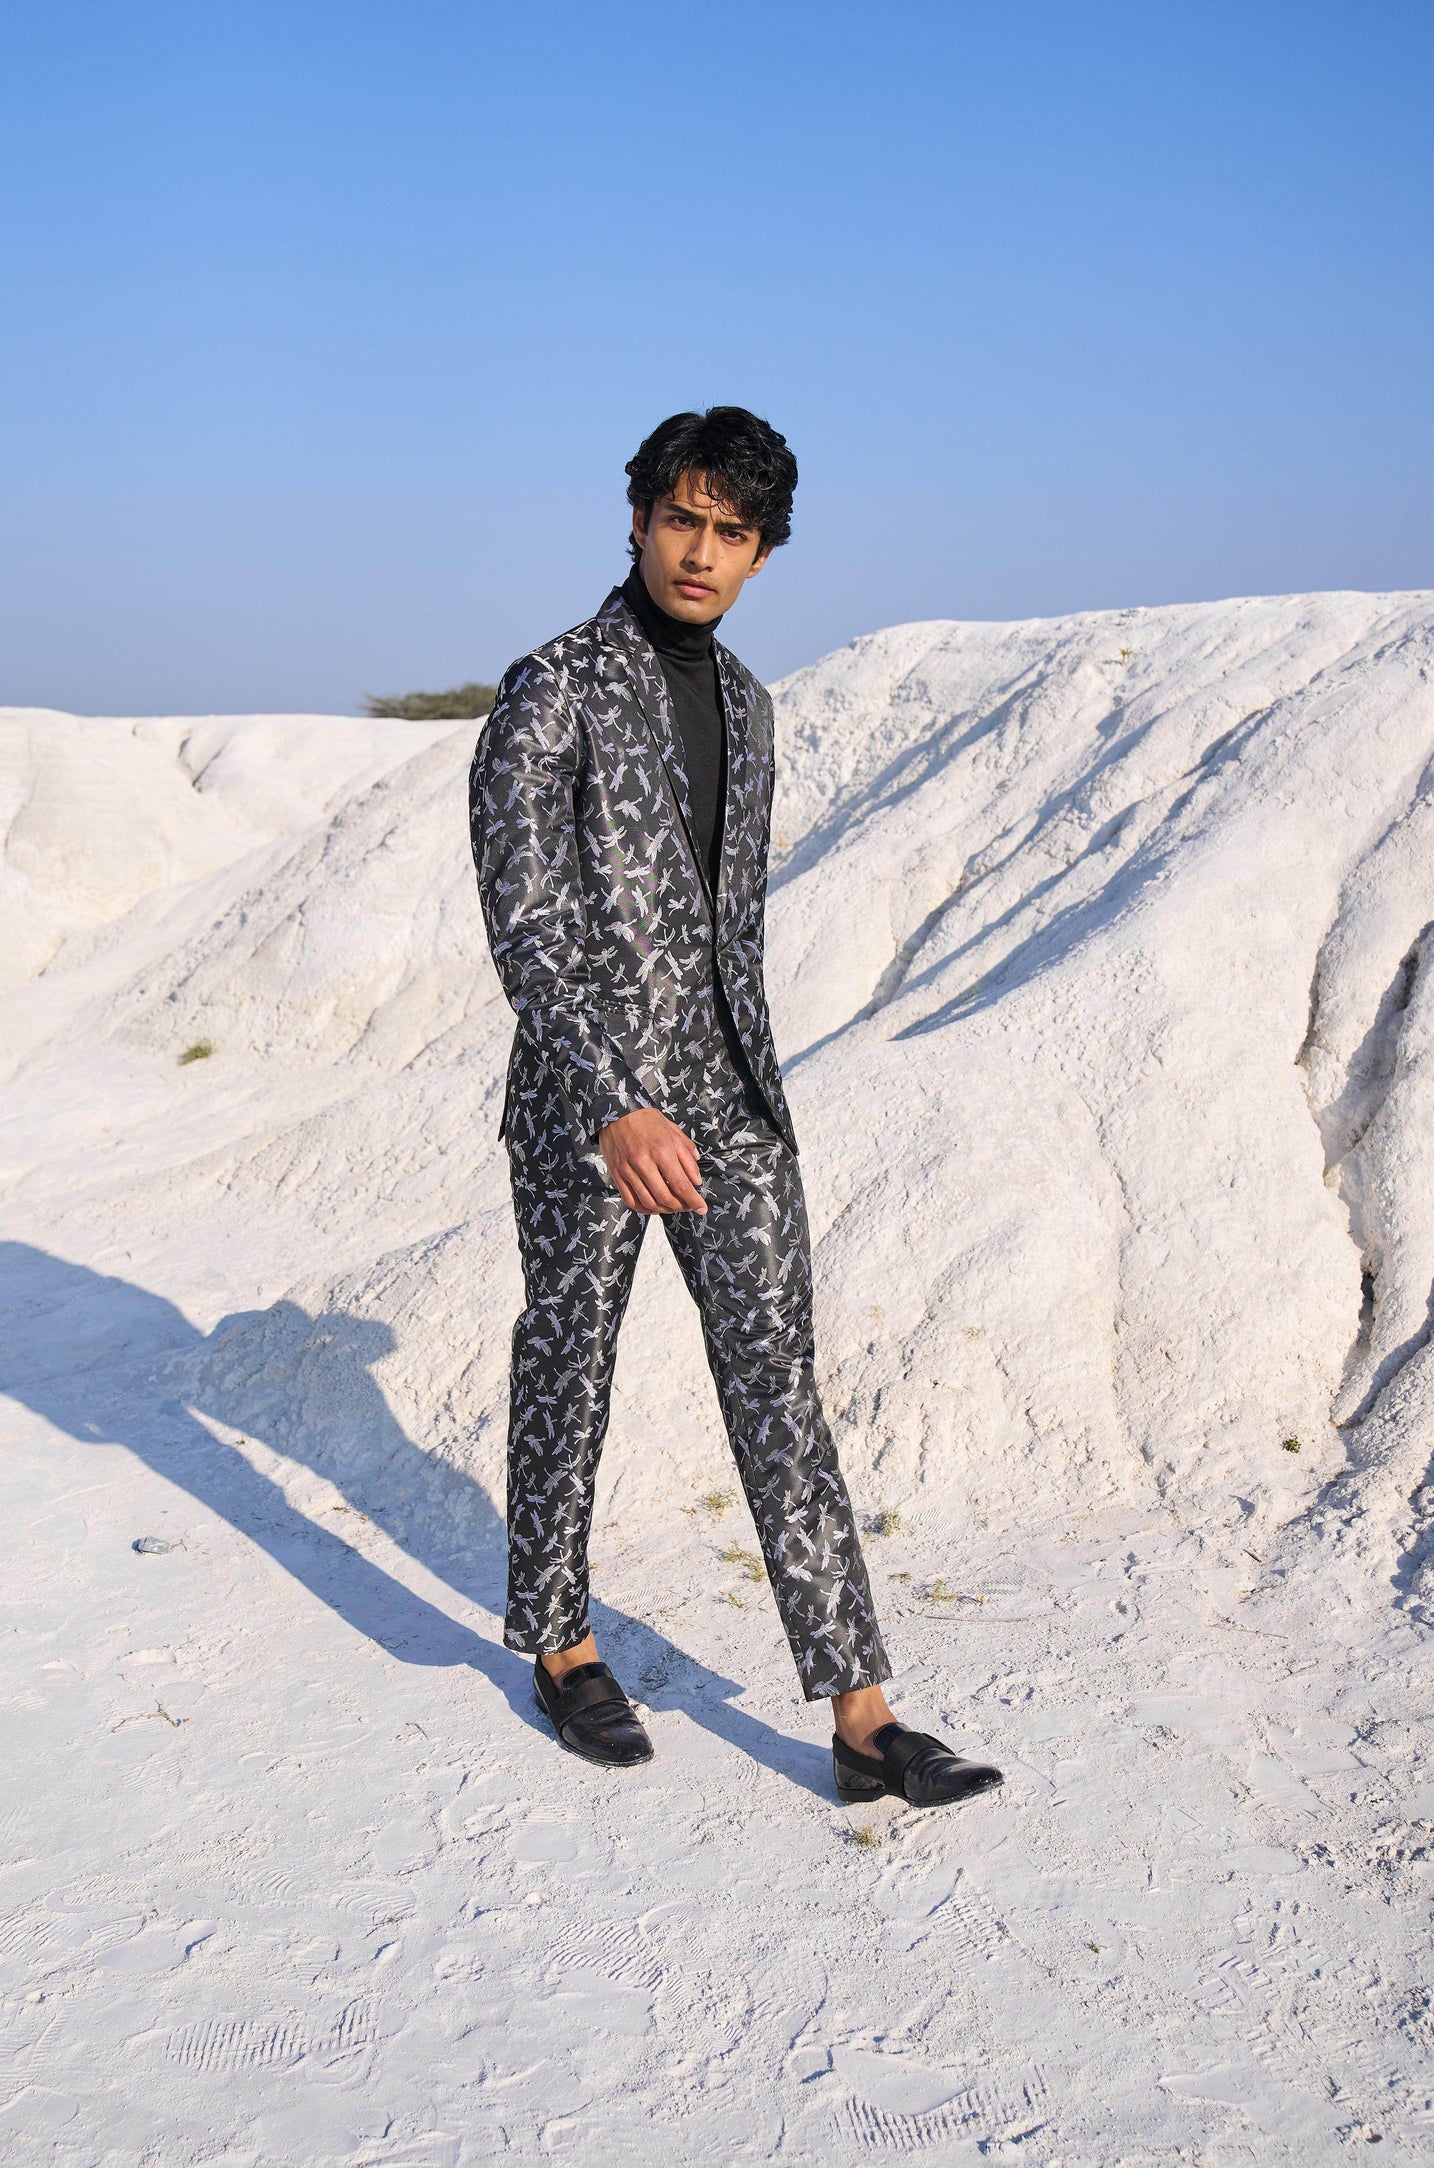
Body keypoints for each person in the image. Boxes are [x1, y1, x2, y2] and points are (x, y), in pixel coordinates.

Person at [469, 407, 1001, 1811]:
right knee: (570, 1362)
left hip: (734, 1098)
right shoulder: (551, 688)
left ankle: (862, 1715)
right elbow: (525, 925)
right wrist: (613, 1103)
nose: (700, 551)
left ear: (763, 553)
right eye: (681, 520)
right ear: (638, 520)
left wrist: (729, 1087)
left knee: (778, 1381)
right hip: (587, 1105)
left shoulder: (754, 707)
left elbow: (725, 929)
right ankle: (561, 1642)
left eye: (731, 531)